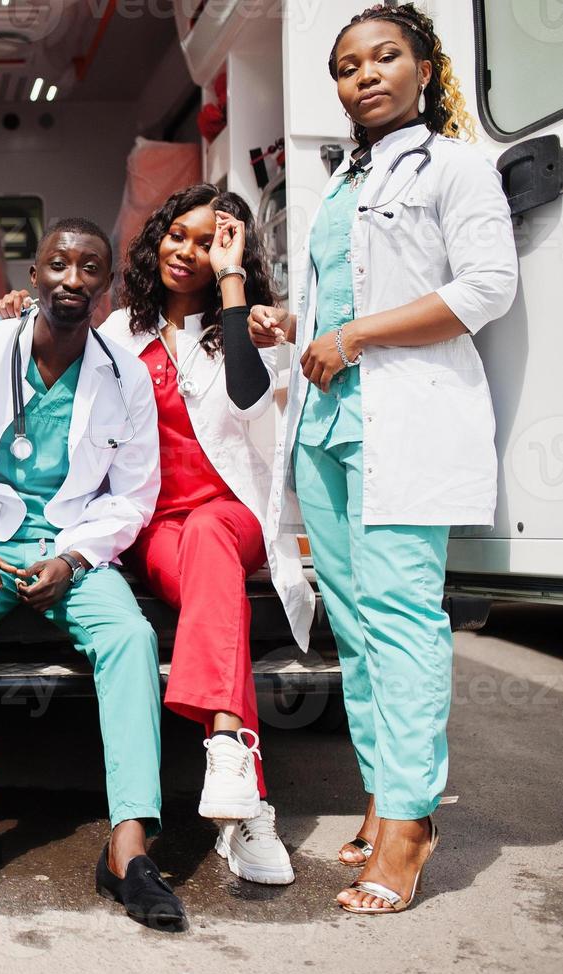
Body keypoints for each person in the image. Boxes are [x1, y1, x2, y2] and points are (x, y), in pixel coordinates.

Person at [239, 2, 516, 913]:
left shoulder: (457, 167)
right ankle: (379, 790)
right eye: (348, 65)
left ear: (425, 66)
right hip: (326, 431)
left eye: (385, 56)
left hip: (405, 423)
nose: (365, 75)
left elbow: (483, 288)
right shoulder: (338, 186)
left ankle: (409, 819)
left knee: (401, 623)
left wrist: (351, 334)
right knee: (355, 629)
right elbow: (342, 305)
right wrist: (299, 325)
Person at [0, 186, 316, 887]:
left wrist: (233, 285)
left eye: (209, 242)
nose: (188, 251)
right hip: (157, 527)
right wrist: (19, 316)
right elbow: (41, 359)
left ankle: (232, 758)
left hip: (233, 516)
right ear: (156, 239)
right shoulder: (116, 335)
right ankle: (243, 800)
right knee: (203, 563)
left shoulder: (243, 323)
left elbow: (246, 397)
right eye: (178, 234)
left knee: (210, 535)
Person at [0, 218, 187, 932]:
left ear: (105, 283)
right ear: (33, 275)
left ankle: (127, 845)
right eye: (58, 264)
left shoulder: (122, 374)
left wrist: (71, 558)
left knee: (127, 635)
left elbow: (132, 495)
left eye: (90, 268)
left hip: (70, 543)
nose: (72, 279)